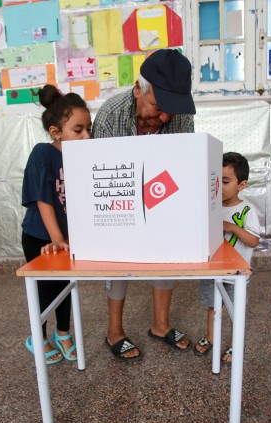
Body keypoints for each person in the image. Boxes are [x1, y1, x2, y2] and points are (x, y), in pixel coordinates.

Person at [91, 49, 196, 361]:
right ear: (139, 89)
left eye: (170, 111)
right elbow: (103, 177)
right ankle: (114, 331)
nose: (163, 117)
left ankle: (160, 325)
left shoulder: (182, 117)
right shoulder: (111, 115)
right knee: (116, 257)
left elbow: (179, 168)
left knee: (166, 250)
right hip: (117, 197)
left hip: (162, 194)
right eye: (157, 106)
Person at [21, 84, 92, 365]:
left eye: (89, 129)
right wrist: (56, 239)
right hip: (41, 237)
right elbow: (44, 200)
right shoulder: (43, 154)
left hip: (67, 238)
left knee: (66, 286)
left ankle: (63, 333)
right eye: (78, 130)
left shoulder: (83, 157)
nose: (87, 136)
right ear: (55, 132)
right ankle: (37, 336)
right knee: (44, 291)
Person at [194, 152, 261, 365]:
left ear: (241, 185)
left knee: (235, 310)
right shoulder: (210, 207)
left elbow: (253, 241)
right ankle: (211, 337)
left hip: (236, 274)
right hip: (212, 270)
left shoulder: (247, 210)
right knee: (213, 306)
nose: (219, 187)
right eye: (215, 181)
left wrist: (232, 227)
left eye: (225, 181)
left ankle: (235, 344)